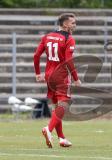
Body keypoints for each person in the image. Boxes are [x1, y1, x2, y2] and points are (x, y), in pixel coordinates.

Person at [33, 13, 81, 148]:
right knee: (63, 106)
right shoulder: (69, 39)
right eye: (72, 23)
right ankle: (48, 129)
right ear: (65, 24)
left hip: (49, 75)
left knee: (56, 108)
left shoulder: (47, 36)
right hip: (61, 76)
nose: (74, 25)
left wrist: (38, 73)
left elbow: (36, 56)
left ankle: (61, 138)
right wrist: (76, 78)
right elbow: (68, 61)